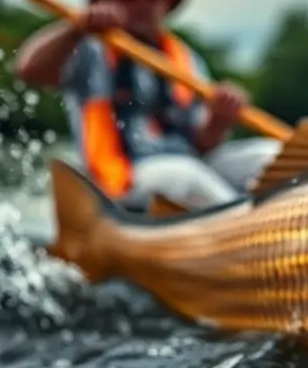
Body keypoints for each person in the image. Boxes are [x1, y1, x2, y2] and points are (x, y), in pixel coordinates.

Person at [14, 0, 251, 211]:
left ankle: (273, 226)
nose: (141, 5)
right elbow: (29, 69)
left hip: (190, 163)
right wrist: (76, 28)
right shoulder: (89, 48)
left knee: (267, 155)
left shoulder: (187, 59)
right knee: (182, 175)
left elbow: (203, 144)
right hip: (125, 177)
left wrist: (219, 121)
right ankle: (248, 228)